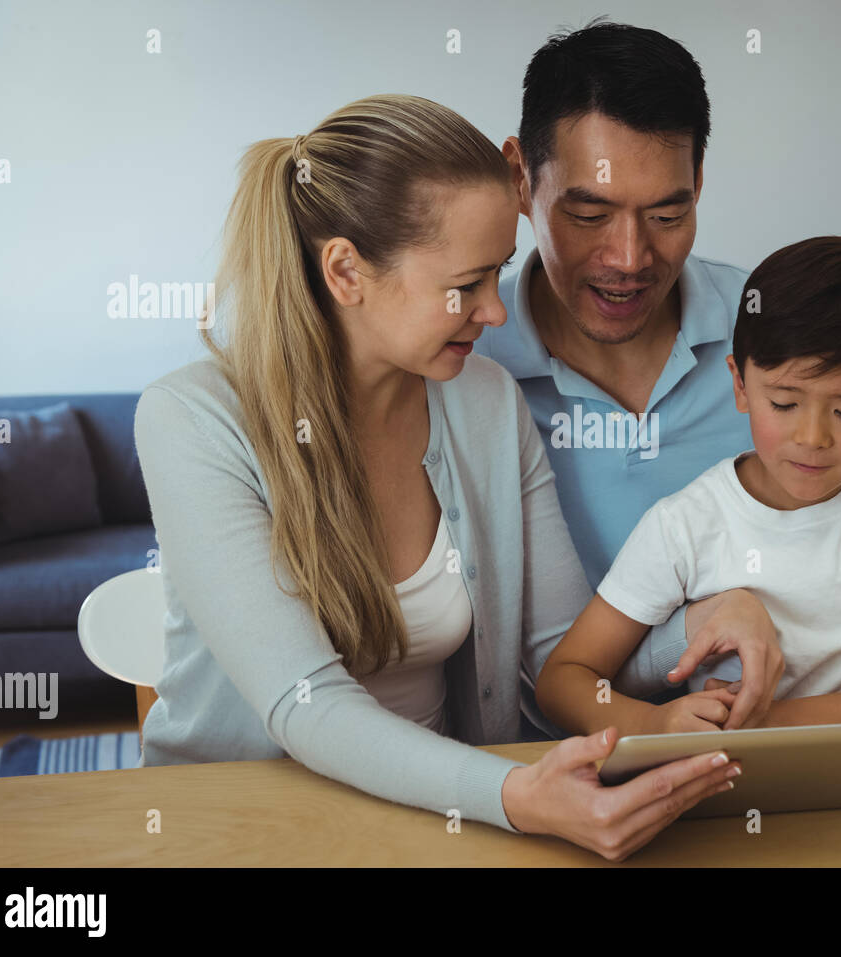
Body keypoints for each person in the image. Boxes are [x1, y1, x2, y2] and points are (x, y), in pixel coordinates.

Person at [133, 93, 741, 862]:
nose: (495, 312)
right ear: (347, 270)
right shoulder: (192, 418)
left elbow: (560, 650)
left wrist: (706, 626)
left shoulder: (484, 401)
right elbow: (304, 703)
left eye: (501, 275)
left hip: (443, 822)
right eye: (469, 282)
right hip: (240, 824)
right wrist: (514, 797)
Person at [479, 19, 841, 725]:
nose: (629, 257)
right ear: (519, 177)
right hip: (544, 769)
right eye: (588, 213)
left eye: (668, 213)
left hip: (780, 772)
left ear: (699, 183)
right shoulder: (463, 364)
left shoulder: (784, 339)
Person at [536, 236, 841, 735]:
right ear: (741, 385)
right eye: (785, 404)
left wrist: (767, 723)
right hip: (730, 780)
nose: (812, 438)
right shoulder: (685, 524)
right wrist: (656, 726)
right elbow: (564, 680)